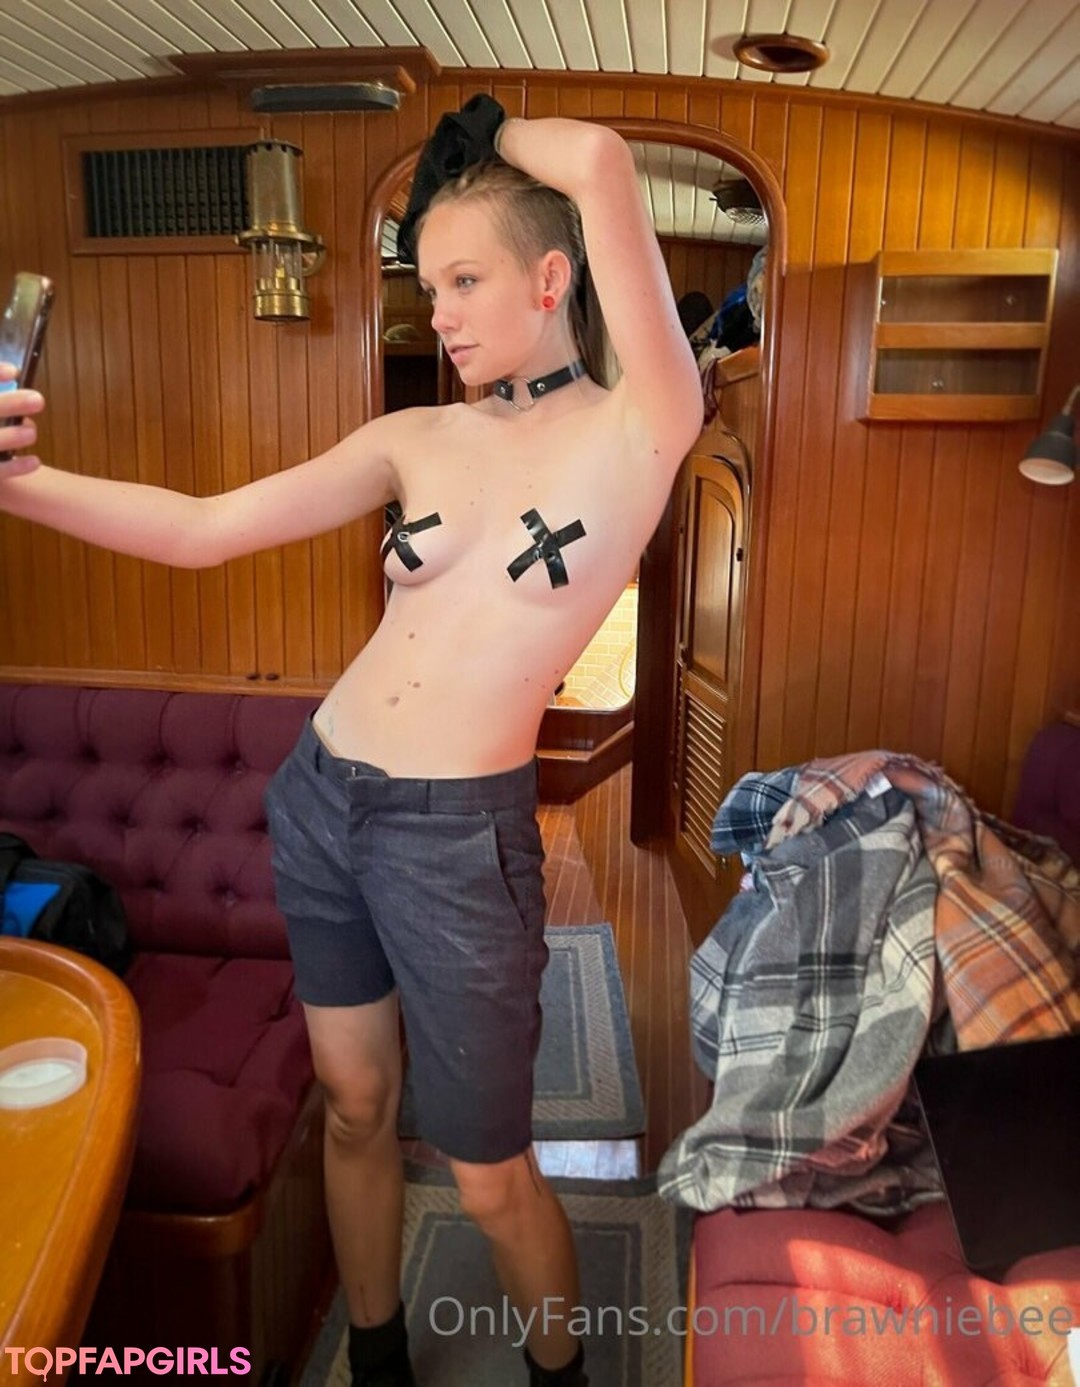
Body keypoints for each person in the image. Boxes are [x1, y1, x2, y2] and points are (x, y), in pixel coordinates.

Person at [0, 100, 703, 1386]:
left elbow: (599, 161)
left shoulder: (642, 426)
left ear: (554, 278)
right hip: (322, 800)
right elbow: (204, 528)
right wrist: (24, 488)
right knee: (357, 1109)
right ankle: (375, 1358)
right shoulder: (413, 437)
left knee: (489, 1172)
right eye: (428, 286)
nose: (440, 313)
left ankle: (559, 1372)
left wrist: (480, 138)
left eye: (465, 279)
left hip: (457, 841)